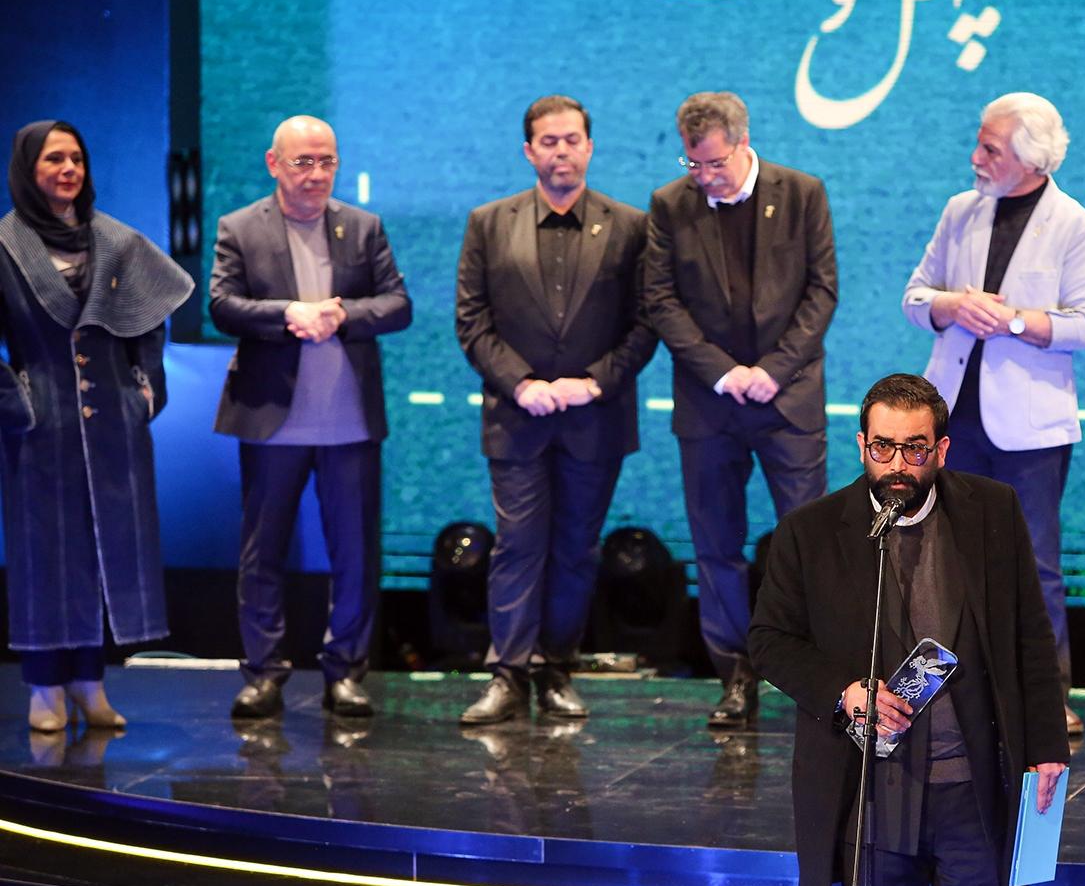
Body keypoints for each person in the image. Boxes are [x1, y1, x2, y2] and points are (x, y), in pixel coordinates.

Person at [749, 373, 1068, 886]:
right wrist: (845, 690)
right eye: (883, 447)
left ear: (942, 448)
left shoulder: (992, 512)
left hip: (970, 788)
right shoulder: (810, 532)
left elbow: (1029, 635)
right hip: (874, 793)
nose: (898, 464)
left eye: (915, 448)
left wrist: (1047, 744)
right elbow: (769, 641)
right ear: (861, 444)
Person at [903, 91, 1085, 736]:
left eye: (990, 148)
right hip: (952, 417)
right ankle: (936, 695)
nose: (976, 156)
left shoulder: (1074, 224)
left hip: (1030, 428)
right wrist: (950, 306)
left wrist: (1015, 320)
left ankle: (1048, 700)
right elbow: (915, 296)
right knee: (939, 558)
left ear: (1030, 158)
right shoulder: (960, 210)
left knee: (1033, 564)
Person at [455, 95, 656, 724]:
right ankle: (508, 674)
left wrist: (594, 383)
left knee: (575, 549)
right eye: (549, 141)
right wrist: (520, 384)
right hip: (517, 416)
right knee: (517, 546)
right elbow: (472, 320)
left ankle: (557, 670)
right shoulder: (489, 222)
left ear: (589, 147)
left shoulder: (631, 225)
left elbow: (647, 321)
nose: (561, 151)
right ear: (528, 151)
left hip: (595, 417)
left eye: (572, 140)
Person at [641, 91, 836, 728]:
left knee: (809, 544)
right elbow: (661, 301)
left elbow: (821, 292)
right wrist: (724, 373)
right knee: (715, 545)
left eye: (715, 163)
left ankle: (817, 678)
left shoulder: (802, 193)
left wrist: (772, 371)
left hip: (789, 400)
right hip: (709, 404)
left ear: (744, 143)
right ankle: (735, 677)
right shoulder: (670, 205)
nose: (704, 177)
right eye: (693, 164)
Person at [210, 115, 412, 721]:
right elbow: (222, 305)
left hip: (349, 423)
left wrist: (344, 315)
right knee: (262, 551)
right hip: (273, 418)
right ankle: (263, 672)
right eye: (304, 162)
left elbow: (398, 305)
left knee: (354, 554)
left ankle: (345, 671)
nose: (318, 174)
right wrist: (287, 313)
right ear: (274, 164)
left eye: (328, 161)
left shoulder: (363, 227)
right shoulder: (240, 227)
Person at [0, 120, 193, 732]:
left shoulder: (115, 240)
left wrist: (145, 389)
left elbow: (152, 319)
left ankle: (89, 682)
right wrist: (15, 401)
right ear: (28, 169)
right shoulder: (5, 244)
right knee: (45, 554)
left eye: (77, 159)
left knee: (107, 550)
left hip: (114, 422)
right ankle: (44, 687)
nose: (69, 169)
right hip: (41, 427)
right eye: (54, 159)